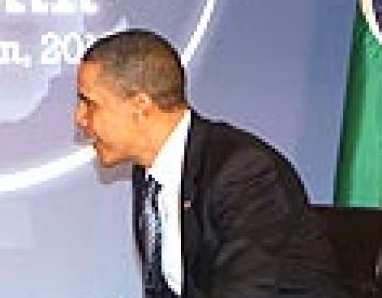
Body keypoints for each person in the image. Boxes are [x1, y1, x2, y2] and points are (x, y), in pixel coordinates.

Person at [73, 29, 349, 298]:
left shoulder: (242, 172)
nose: (80, 119)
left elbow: (247, 290)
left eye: (89, 103)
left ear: (140, 105)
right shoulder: (149, 174)